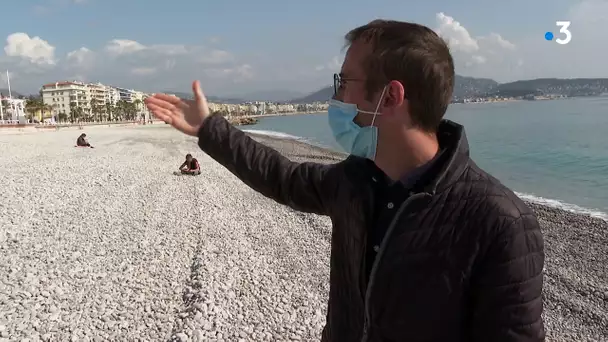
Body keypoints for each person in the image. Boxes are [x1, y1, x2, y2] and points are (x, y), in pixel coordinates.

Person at [145, 20, 545, 342]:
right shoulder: (357, 180)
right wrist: (210, 129)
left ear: (390, 97)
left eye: (345, 83)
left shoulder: (499, 222)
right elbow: (283, 177)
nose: (336, 98)